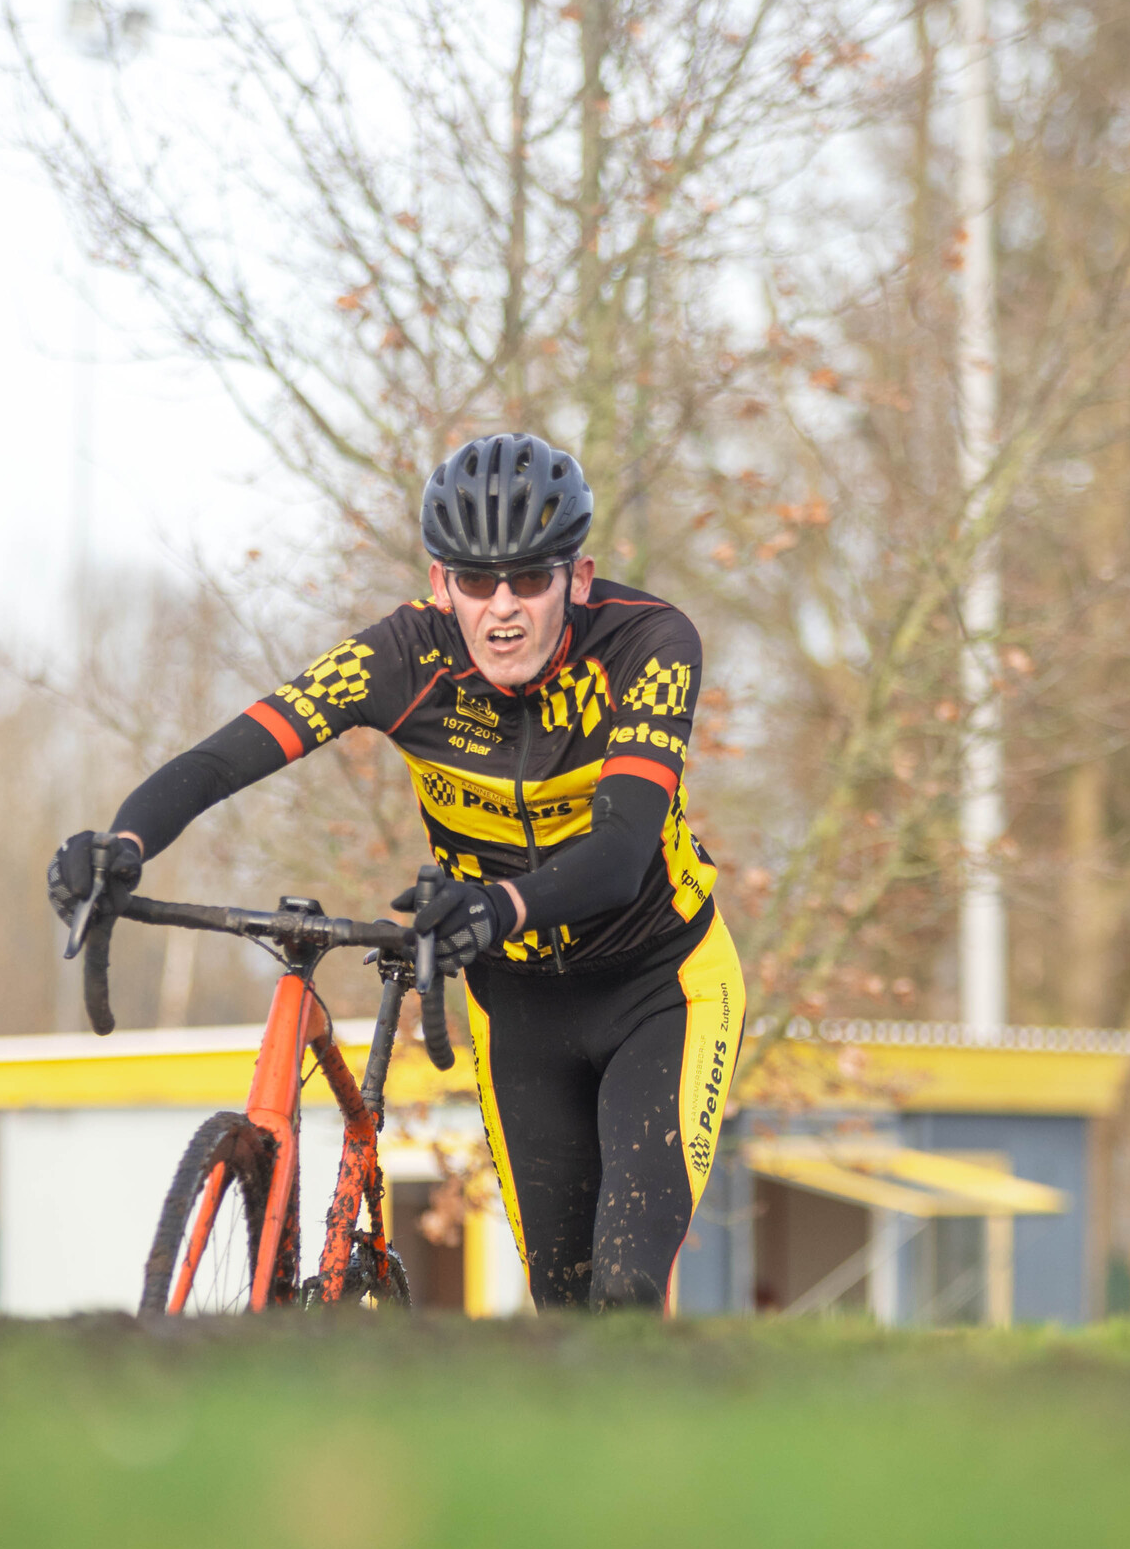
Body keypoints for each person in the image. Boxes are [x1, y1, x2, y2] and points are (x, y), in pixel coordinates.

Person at [48, 433, 744, 1310]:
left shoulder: (649, 643)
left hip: (659, 988)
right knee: (563, 1312)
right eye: (474, 580)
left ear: (579, 575)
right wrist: (124, 845)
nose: (503, 608)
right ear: (437, 581)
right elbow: (226, 758)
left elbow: (620, 853)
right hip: (519, 1008)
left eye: (531, 579)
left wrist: (494, 906)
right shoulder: (403, 657)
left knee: (630, 1286)